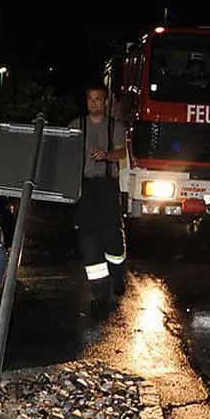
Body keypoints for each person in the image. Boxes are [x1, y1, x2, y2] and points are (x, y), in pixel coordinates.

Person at [68, 85, 128, 304]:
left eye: (98, 99)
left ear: (105, 102)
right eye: (90, 99)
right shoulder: (76, 125)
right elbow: (66, 152)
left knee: (111, 234)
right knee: (87, 234)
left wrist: (106, 155)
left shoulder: (116, 127)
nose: (93, 103)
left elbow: (122, 152)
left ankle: (118, 275)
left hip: (107, 186)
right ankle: (99, 288)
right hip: (84, 187)